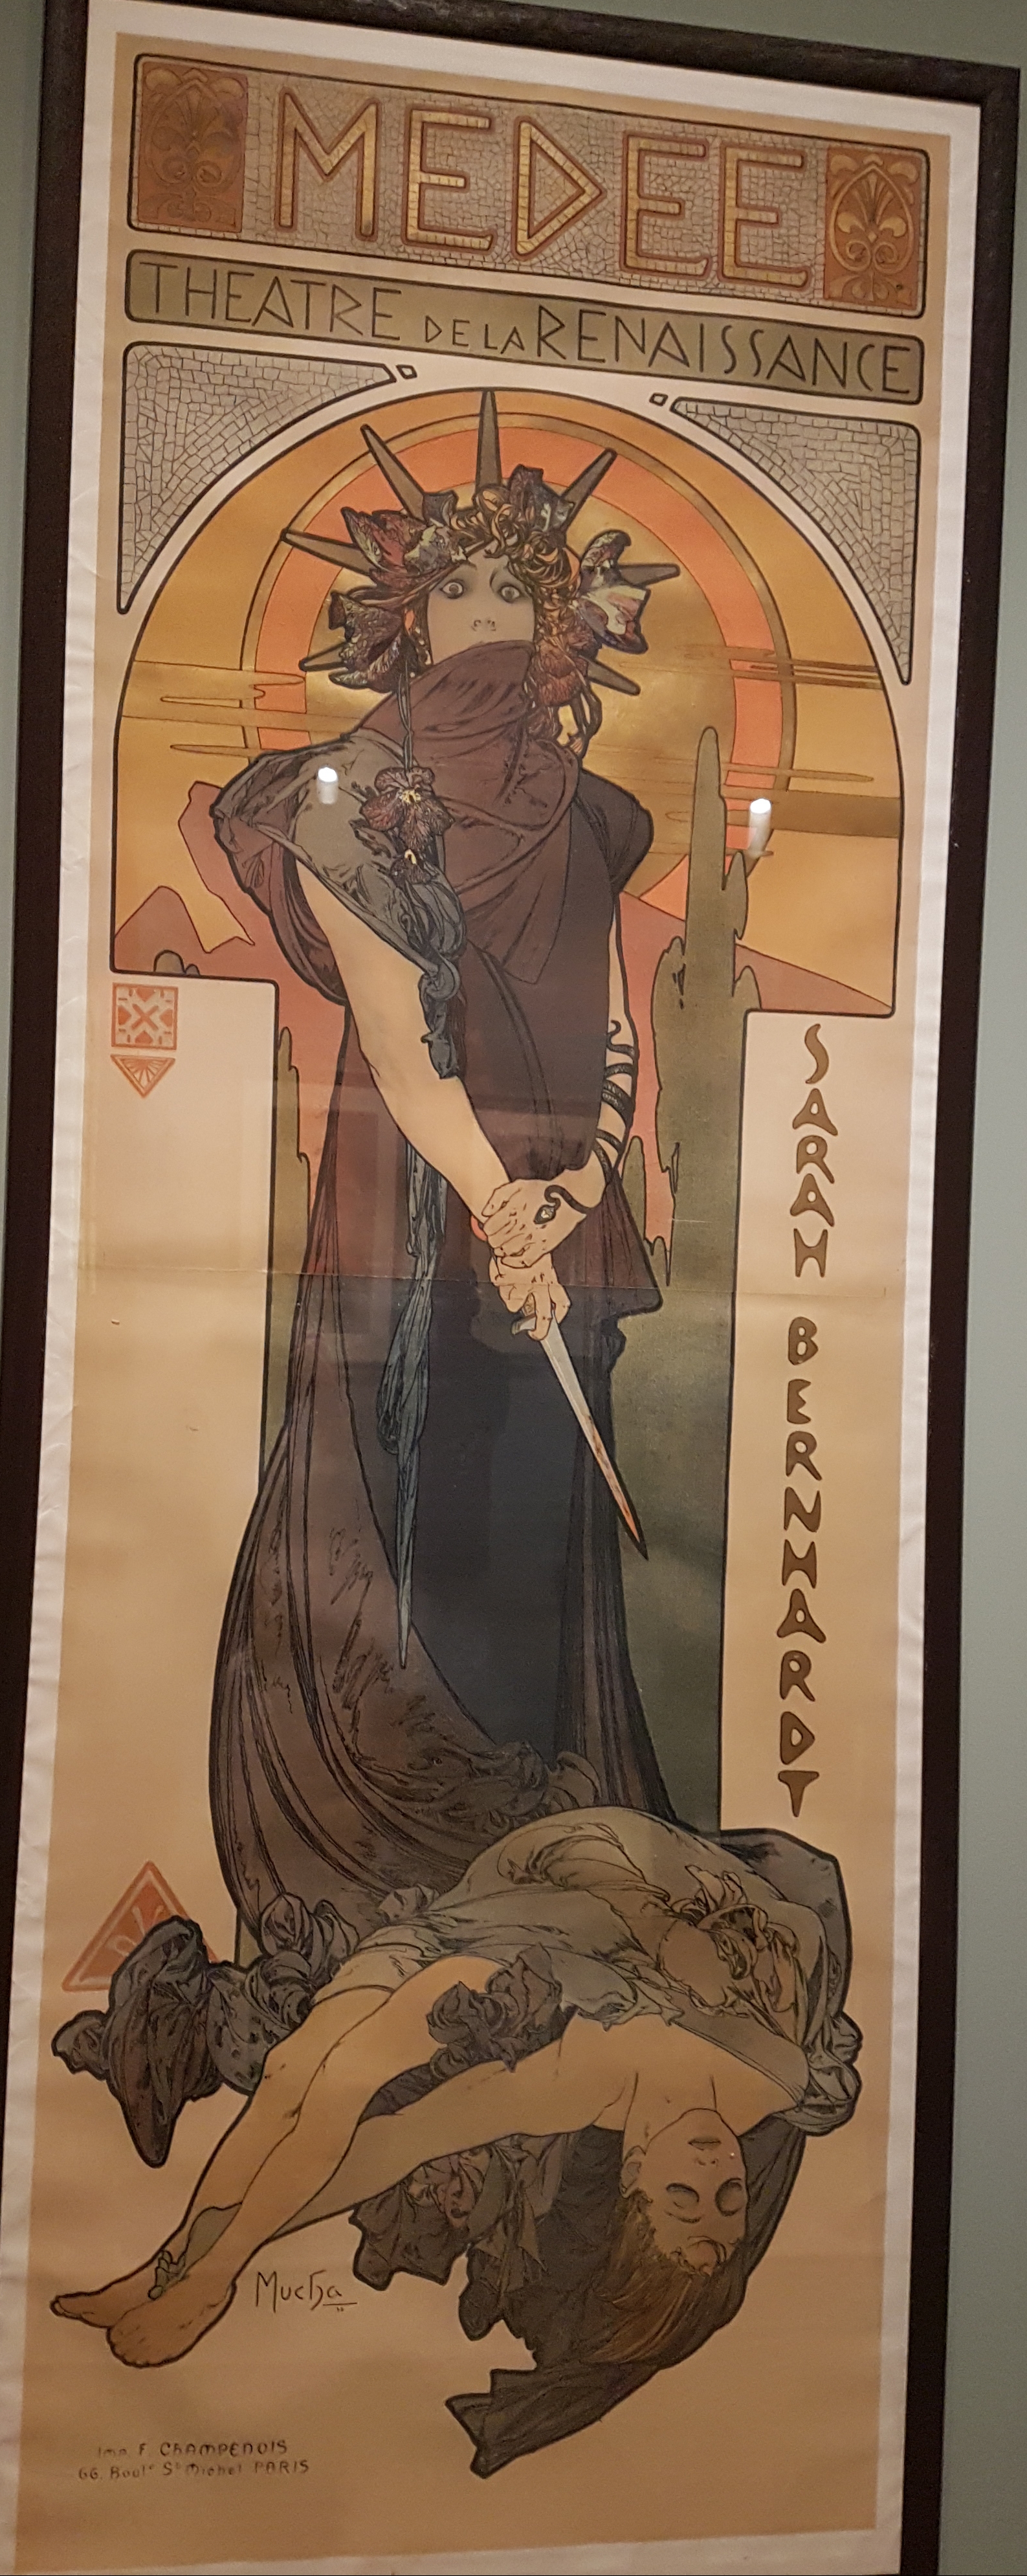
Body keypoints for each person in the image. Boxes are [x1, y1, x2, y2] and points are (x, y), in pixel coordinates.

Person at [206, 394, 684, 1941]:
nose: (486, 618)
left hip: (552, 1219)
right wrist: (497, 1206)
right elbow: (404, 1051)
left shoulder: (592, 815)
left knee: (537, 1544)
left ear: (561, 628)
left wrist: (577, 1187)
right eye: (457, 590)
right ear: (406, 620)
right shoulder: (351, 795)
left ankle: (547, 1878)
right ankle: (412, 1899)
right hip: (413, 1223)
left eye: (515, 593)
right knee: (416, 1528)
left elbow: (612, 1027)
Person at [54, 1808, 861, 2467]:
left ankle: (178, 2268)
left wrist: (244, 2245)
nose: (717, 2167)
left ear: (635, 2180)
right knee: (326, 2076)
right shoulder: (767, 2078)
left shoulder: (586, 2083)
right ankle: (195, 2276)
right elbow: (763, 1920)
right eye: (730, 2196)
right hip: (571, 1880)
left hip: (501, 1935)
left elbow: (398, 2142)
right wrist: (674, 1932)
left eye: (686, 2196)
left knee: (308, 2073)